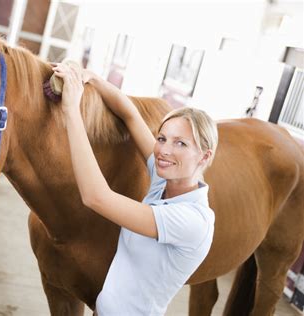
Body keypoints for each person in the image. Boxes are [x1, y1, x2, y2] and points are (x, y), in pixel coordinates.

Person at [52, 62, 218, 315]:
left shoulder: (193, 220)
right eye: (162, 138)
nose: (164, 150)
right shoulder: (163, 181)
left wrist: (71, 110)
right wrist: (92, 78)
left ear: (204, 157)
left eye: (181, 144)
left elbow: (96, 197)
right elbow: (130, 115)